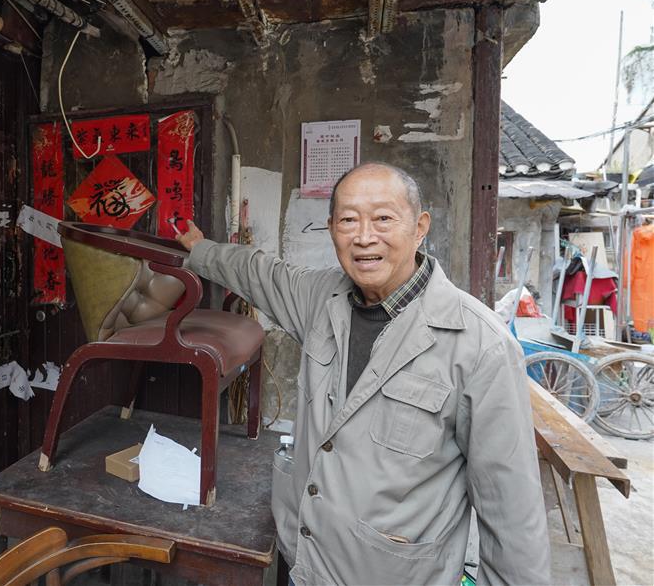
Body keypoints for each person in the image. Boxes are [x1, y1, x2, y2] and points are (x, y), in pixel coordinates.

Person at [175, 163, 550, 585]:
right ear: (332, 228)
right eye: (349, 220)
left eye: (384, 218)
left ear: (420, 226)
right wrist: (200, 250)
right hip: (305, 564)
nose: (365, 237)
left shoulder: (482, 345)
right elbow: (260, 273)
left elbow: (513, 512)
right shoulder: (321, 298)